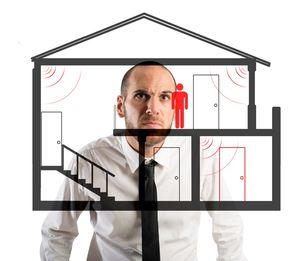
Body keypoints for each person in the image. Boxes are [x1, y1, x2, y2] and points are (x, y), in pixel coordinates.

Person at [40, 62, 247, 260]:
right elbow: (57, 232)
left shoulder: (200, 158)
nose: (152, 108)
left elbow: (228, 228)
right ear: (121, 106)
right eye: (141, 95)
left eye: (164, 97)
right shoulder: (90, 160)